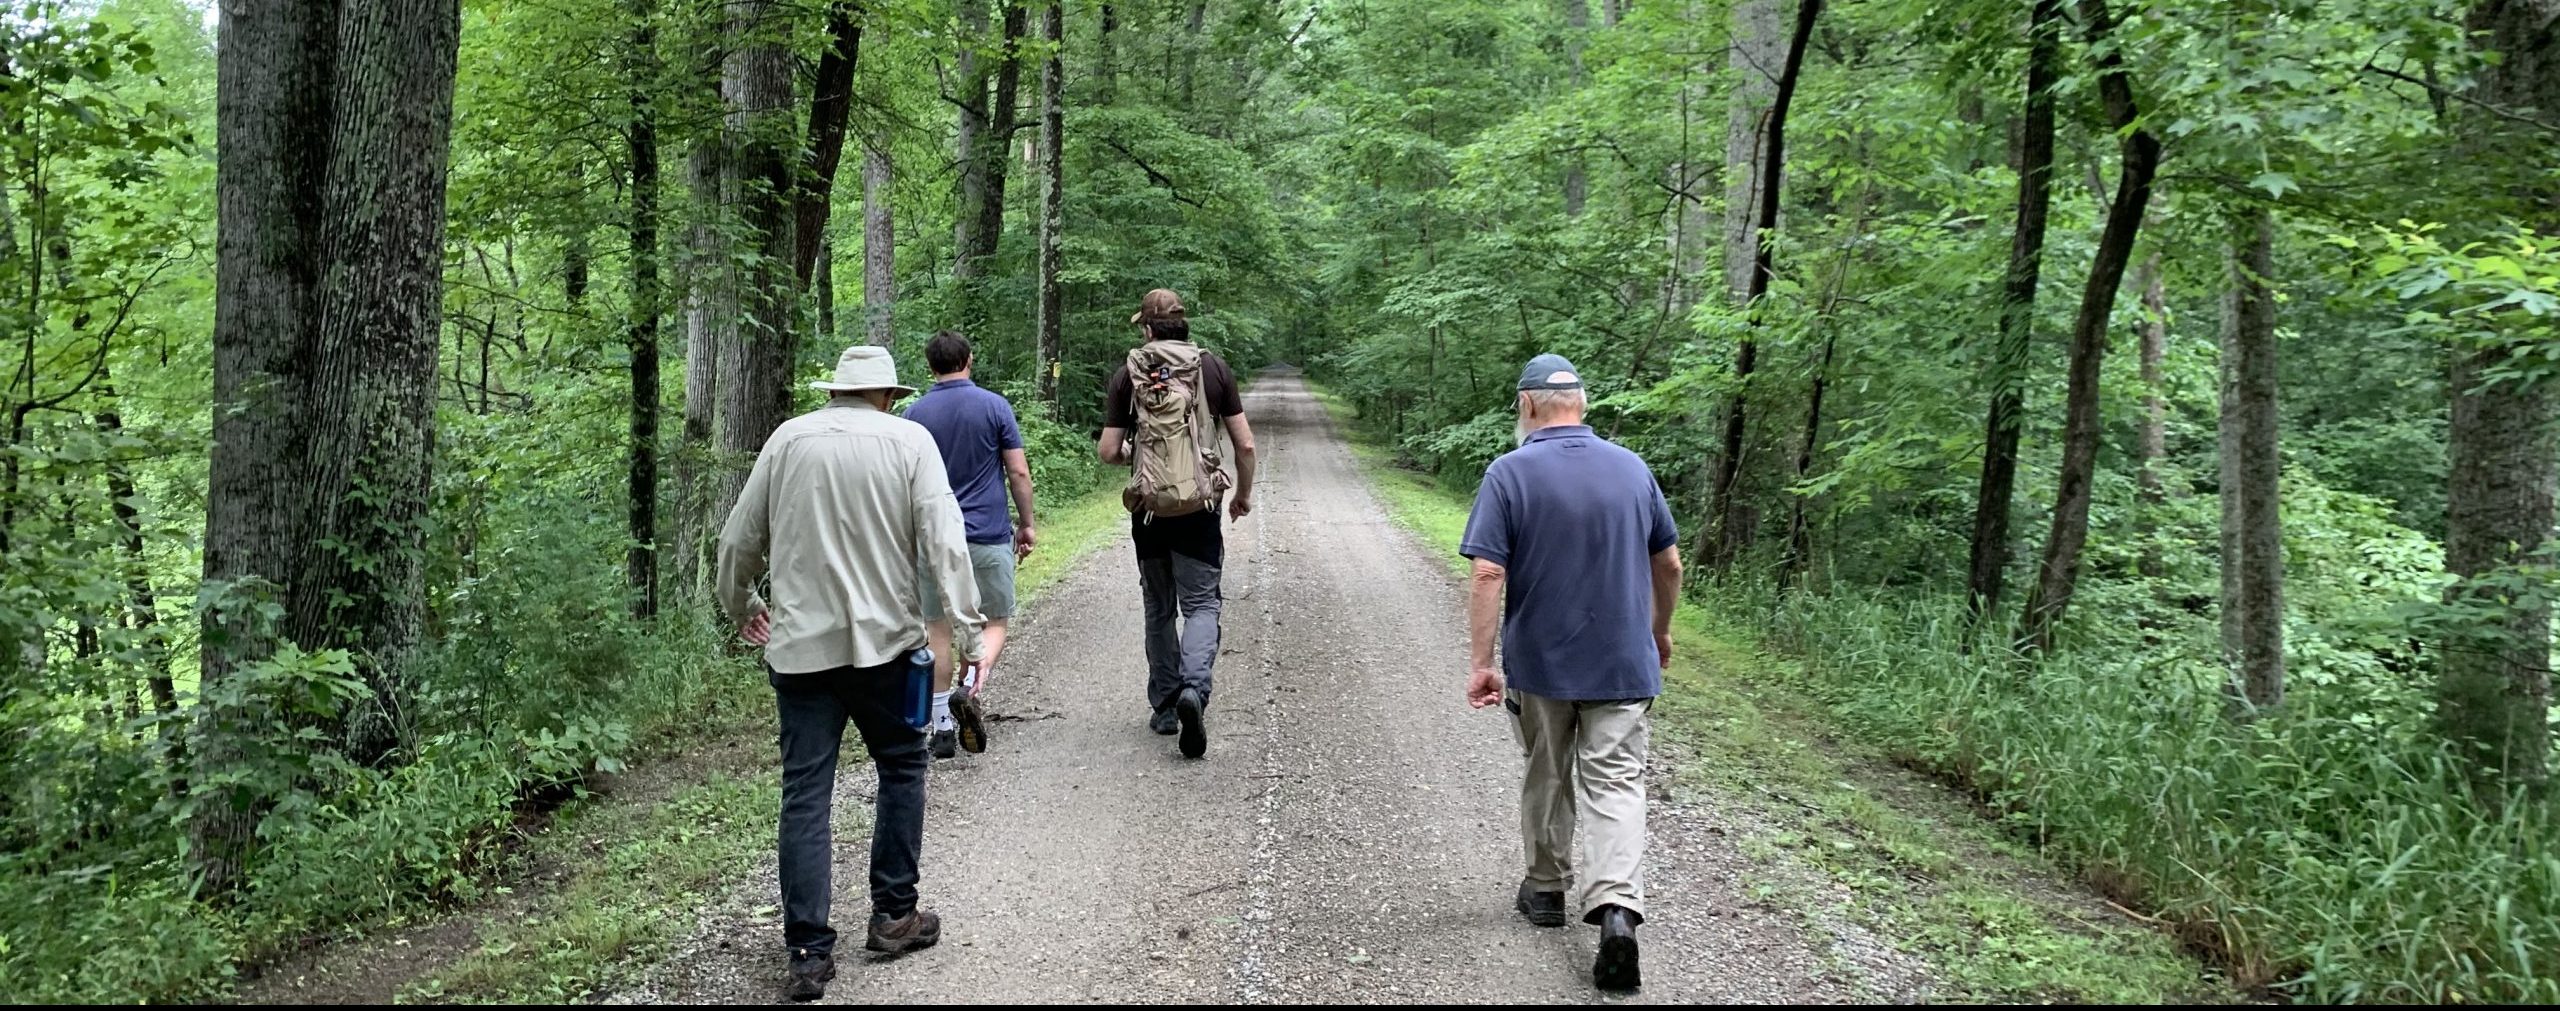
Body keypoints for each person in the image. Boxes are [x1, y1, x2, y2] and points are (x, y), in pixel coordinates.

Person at [716, 344, 988, 1001]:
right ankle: (894, 914)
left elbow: (735, 541)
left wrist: (744, 606)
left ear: (837, 391)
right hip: (888, 650)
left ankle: (808, 951)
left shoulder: (787, 440)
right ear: (887, 394)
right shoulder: (908, 440)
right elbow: (946, 543)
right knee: (901, 766)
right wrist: (970, 630)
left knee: (806, 792)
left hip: (802, 652)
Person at [1459, 353, 1681, 994]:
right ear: (1580, 405)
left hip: (1543, 664)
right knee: (1616, 783)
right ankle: (1616, 911)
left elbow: (1487, 572)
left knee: (1548, 771)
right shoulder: (1633, 469)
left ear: (1528, 406)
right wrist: (1659, 630)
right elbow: (1668, 563)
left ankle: (1548, 889)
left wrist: (1481, 663)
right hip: (1622, 662)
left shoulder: (1510, 472)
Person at [1097, 289, 1255, 759]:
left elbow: (1108, 451)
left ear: (1146, 329)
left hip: (1149, 510)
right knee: (1202, 604)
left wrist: (1132, 454)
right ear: (1184, 325)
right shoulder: (1213, 368)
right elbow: (1244, 446)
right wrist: (1243, 495)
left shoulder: (1129, 374)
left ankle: (1166, 706)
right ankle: (1195, 690)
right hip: (1199, 508)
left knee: (1159, 608)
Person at [903, 330, 1038, 760]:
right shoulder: (995, 407)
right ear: (970, 359)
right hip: (987, 535)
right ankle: (970, 688)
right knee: (994, 619)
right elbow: (1017, 472)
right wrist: (1027, 524)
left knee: (936, 628)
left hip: (934, 539)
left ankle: (941, 722)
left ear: (931, 367)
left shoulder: (914, 414)